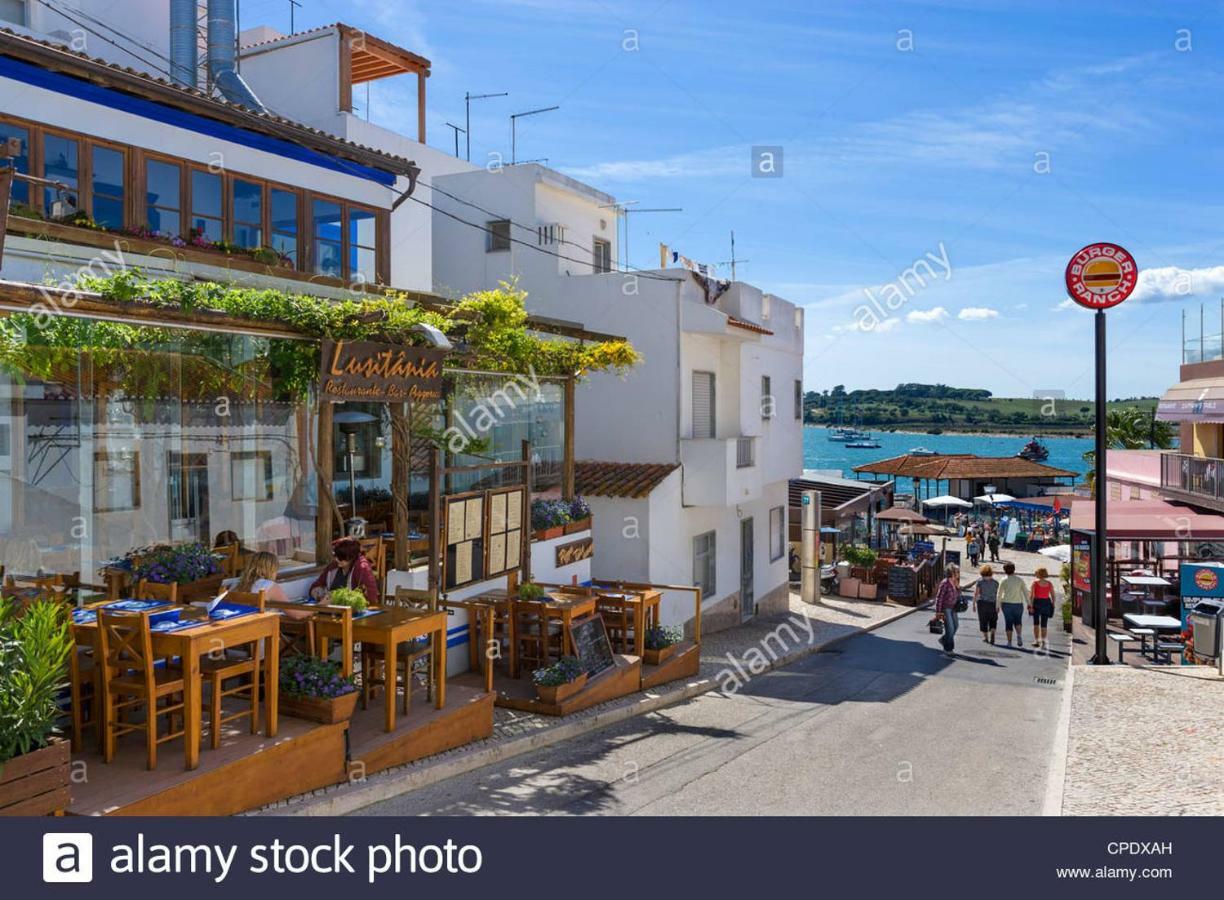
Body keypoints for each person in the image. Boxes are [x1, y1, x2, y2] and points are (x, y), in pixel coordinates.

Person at [309, 536, 379, 606]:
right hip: (330, 608)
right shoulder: (333, 566)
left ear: (351, 557)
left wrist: (338, 600)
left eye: (341, 557)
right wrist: (319, 595)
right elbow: (315, 586)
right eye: (336, 556)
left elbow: (372, 597)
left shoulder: (362, 568)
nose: (337, 559)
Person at [225, 550, 290, 604]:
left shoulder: (236, 584)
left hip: (239, 619)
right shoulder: (269, 586)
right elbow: (296, 614)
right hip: (259, 619)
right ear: (271, 570)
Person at [998, 561, 1027, 648]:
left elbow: (999, 594)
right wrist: (1029, 603)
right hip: (1018, 603)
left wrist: (997, 605)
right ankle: (1019, 635)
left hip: (1006, 603)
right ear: (1014, 570)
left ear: (1004, 570)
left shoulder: (1003, 580)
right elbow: (1025, 592)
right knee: (1018, 621)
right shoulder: (1019, 580)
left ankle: (1009, 642)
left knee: (1008, 622)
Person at [934, 564, 961, 655]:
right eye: (957, 572)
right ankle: (948, 649)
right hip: (946, 608)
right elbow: (939, 597)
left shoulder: (955, 582)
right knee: (950, 629)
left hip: (953, 608)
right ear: (952, 572)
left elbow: (958, 595)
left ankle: (944, 639)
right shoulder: (945, 583)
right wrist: (938, 612)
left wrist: (958, 588)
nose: (958, 573)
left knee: (956, 626)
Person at [1029, 566, 1057, 649]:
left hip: (1037, 603)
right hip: (1046, 603)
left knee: (1036, 623)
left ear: (1038, 574)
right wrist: (1053, 604)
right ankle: (1044, 643)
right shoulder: (1049, 583)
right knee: (1044, 624)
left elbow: (1031, 596)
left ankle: (1037, 641)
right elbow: (1053, 595)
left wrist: (1030, 606)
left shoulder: (1035, 583)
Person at [974, 564, 1000, 643]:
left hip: (982, 603)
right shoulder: (996, 583)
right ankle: (992, 631)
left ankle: (986, 637)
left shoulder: (980, 582)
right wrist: (998, 605)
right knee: (993, 620)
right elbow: (998, 594)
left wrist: (974, 604)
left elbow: (977, 593)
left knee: (983, 620)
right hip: (993, 603)